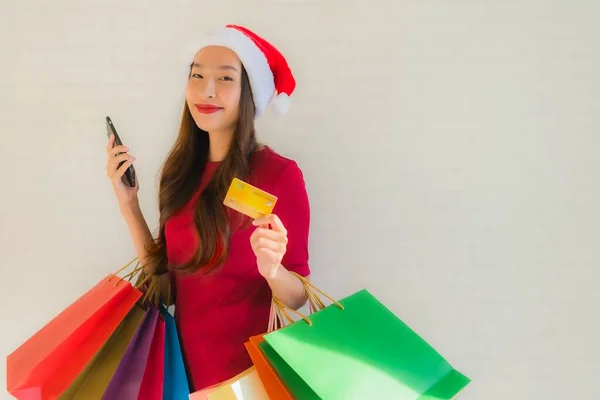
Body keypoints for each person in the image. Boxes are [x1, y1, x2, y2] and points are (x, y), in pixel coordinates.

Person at [105, 24, 311, 391]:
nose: (207, 90)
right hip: (182, 379)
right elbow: (167, 289)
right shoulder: (179, 172)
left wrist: (273, 269)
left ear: (249, 93)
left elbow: (298, 298)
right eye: (197, 75)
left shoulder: (280, 175)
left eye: (225, 78)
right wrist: (129, 205)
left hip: (253, 380)